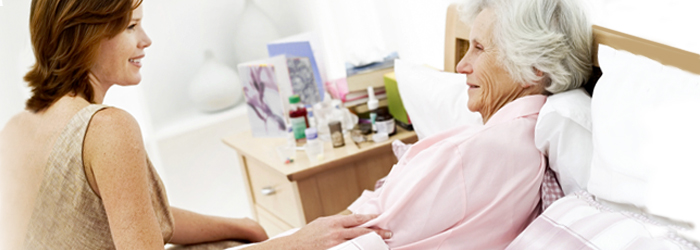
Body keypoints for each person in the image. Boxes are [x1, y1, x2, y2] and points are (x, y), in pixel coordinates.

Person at [0, 0, 390, 249]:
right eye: (131, 26)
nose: (146, 39)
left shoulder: (18, 128)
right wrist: (297, 242)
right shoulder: (107, 129)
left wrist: (241, 225)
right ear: (85, 35)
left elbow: (136, 215)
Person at [339, 0, 594, 249]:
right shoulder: (522, 140)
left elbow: (363, 235)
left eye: (479, 48)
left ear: (534, 66)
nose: (462, 65)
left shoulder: (471, 152)